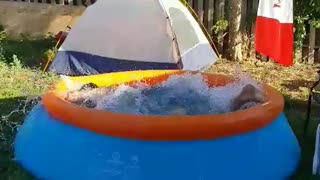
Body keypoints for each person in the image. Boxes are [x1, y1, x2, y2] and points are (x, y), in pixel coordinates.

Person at [63, 83, 266, 113]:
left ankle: (240, 100)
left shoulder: (105, 97)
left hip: (156, 99)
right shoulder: (115, 92)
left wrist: (74, 97)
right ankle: (239, 99)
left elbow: (75, 96)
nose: (70, 97)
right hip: (167, 92)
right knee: (207, 101)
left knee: (208, 111)